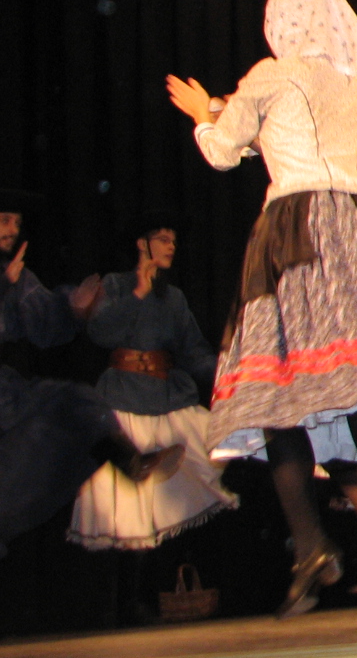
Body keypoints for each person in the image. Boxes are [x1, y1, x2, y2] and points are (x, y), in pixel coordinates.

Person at [167, 0, 357, 627]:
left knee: (280, 397)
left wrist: (205, 118)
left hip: (299, 234)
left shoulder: (269, 75)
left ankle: (311, 546)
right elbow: (287, 137)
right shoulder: (350, 84)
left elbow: (225, 152)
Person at [0, 190, 178, 644]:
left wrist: (74, 307)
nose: (12, 230)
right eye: (4, 220)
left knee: (73, 400)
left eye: (16, 222)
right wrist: (1, 284)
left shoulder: (19, 275)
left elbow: (46, 323)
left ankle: (130, 459)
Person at [68, 214, 239, 619]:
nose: (170, 246)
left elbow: (193, 352)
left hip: (166, 400)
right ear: (141, 245)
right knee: (129, 505)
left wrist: (229, 373)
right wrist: (138, 293)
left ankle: (164, 591)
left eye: (173, 240)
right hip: (124, 402)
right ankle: (128, 601)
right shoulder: (115, 286)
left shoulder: (174, 298)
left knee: (183, 483)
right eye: (162, 239)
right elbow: (101, 333)